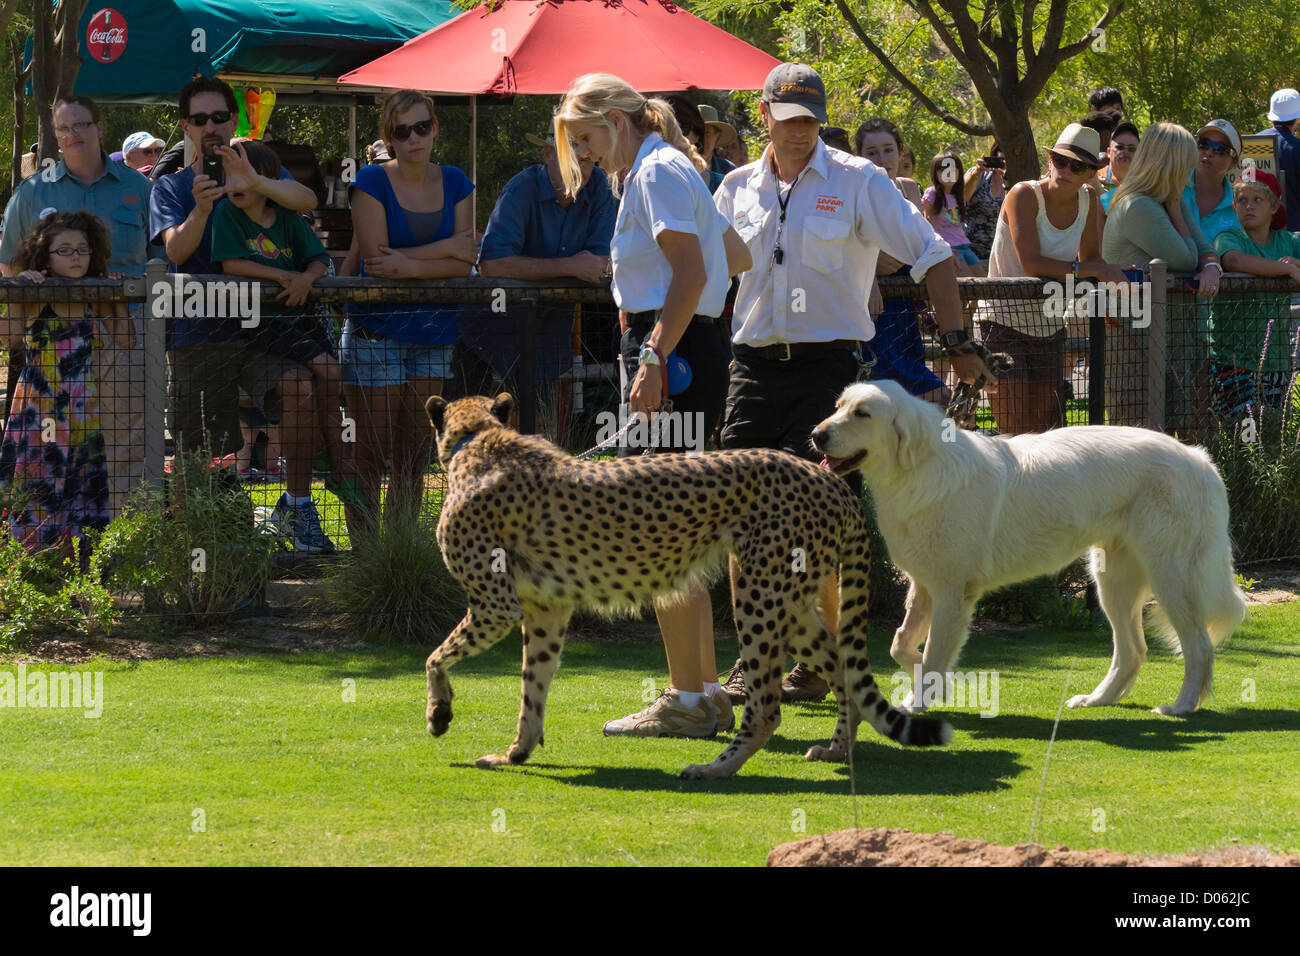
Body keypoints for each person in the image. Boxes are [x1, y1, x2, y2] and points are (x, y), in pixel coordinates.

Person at [715, 64, 994, 704]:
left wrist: (956, 343)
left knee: (814, 523)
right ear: (764, 116)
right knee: (740, 521)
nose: (798, 132)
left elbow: (933, 254)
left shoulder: (859, 180)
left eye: (809, 120)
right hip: (750, 368)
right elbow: (703, 271)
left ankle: (819, 658)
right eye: (786, 120)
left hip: (829, 370)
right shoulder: (733, 187)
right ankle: (752, 661)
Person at [554, 72, 752, 737]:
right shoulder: (671, 168)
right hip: (687, 347)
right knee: (682, 538)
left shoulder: (655, 171)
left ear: (615, 120)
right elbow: (736, 255)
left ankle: (689, 699)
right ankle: (701, 694)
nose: (585, 155)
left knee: (664, 537)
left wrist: (653, 355)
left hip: (671, 352)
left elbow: (696, 272)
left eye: (585, 140)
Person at [149, 76, 325, 541]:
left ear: (233, 120)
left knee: (300, 389)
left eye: (220, 117)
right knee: (202, 452)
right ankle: (195, 550)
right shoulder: (170, 187)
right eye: (200, 119)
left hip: (260, 330)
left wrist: (256, 180)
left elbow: (308, 201)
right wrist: (201, 210)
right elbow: (178, 253)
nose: (211, 127)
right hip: (198, 337)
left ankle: (298, 507)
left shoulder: (258, 169)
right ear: (185, 125)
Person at [0, 95, 152, 524]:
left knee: (125, 441)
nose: (73, 135)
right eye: (64, 128)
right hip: (54, 340)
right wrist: (26, 291)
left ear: (100, 127)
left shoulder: (138, 186)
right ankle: (47, 547)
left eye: (81, 124)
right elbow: (9, 260)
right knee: (51, 448)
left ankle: (122, 546)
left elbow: (162, 256)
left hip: (124, 323)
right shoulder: (32, 191)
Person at [209, 139, 358, 548]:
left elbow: (317, 260)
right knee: (327, 371)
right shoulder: (226, 213)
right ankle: (332, 456)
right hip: (253, 331)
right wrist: (281, 277)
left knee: (325, 376)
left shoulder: (290, 218)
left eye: (244, 175)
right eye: (228, 176)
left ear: (267, 182)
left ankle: (323, 462)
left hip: (297, 327)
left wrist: (307, 278)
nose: (233, 184)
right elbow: (231, 264)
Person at [344, 89, 476, 533]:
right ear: (390, 137)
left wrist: (410, 263)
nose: (414, 137)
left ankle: (399, 548)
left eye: (422, 127)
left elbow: (465, 265)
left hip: (435, 333)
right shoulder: (370, 181)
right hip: (376, 331)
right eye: (403, 131)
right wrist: (442, 254)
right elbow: (379, 264)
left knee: (415, 449)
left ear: (435, 128)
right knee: (371, 446)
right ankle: (364, 555)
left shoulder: (457, 181)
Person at [977, 123, 1125, 435]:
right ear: (1049, 161)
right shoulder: (1023, 195)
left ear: (1090, 174)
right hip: (1002, 322)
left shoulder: (1088, 201)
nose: (1066, 169)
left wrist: (1113, 279)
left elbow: (1093, 260)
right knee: (1014, 434)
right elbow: (1033, 264)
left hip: (1050, 325)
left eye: (1078, 165)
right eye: (1060, 160)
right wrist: (1098, 271)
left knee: (1046, 435)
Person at [0, 211, 133, 556]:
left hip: (81, 407)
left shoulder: (94, 292)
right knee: (37, 481)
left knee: (79, 482)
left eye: (82, 249)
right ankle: (32, 563)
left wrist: (114, 295)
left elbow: (126, 340)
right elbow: (8, 338)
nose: (76, 256)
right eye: (65, 250)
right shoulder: (33, 291)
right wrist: (18, 289)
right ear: (45, 255)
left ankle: (79, 569)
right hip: (37, 406)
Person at [471, 131, 617, 393]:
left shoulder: (600, 187)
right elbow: (491, 264)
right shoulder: (521, 188)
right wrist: (569, 266)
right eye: (568, 158)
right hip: (488, 340)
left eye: (585, 161)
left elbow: (600, 262)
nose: (577, 169)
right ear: (547, 155)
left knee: (541, 429)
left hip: (549, 341)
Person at [1102, 122, 1223, 436]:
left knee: (1172, 438)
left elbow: (1204, 249)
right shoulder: (1138, 205)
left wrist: (1211, 266)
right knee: (1135, 441)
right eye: (1186, 161)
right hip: (1134, 341)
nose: (1191, 169)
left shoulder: (1171, 201)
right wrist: (1179, 216)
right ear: (1170, 162)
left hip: (1168, 341)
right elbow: (1185, 258)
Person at [853, 117, 948, 404]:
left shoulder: (909, 189)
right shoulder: (856, 190)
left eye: (888, 149)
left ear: (900, 151)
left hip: (907, 311)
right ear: (859, 157)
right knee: (935, 395)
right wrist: (870, 279)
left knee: (905, 405)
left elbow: (921, 245)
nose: (882, 159)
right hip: (876, 314)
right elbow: (853, 248)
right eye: (871, 153)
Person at [1207, 171, 1300, 419]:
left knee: (1273, 430)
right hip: (1233, 358)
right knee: (1239, 433)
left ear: (1274, 206)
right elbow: (1234, 260)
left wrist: (1296, 261)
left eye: (1257, 199)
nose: (1248, 205)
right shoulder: (1228, 237)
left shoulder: (1289, 241)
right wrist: (1288, 269)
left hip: (1276, 360)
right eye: (1242, 200)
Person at [1183, 120, 1242, 244]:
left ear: (1234, 162)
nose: (1209, 152)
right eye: (1203, 144)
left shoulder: (1240, 209)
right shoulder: (1171, 187)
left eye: (1220, 149)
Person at [922, 151, 980, 268]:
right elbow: (927, 225)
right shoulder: (932, 193)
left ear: (959, 173)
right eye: (943, 170)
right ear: (935, 173)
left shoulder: (958, 196)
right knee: (968, 281)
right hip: (948, 248)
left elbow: (972, 183)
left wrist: (976, 174)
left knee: (983, 280)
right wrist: (942, 248)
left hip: (964, 245)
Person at [1256, 88, 1300, 230]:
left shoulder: (1253, 143)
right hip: (1292, 231)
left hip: (1256, 230)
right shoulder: (1296, 147)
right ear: (1297, 118)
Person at [963, 142, 1006, 261]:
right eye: (1002, 150)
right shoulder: (980, 174)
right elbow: (961, 198)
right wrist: (976, 174)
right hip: (973, 252)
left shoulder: (1020, 179)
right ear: (995, 153)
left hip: (1002, 256)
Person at [1098, 121, 1140, 218]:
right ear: (1108, 152)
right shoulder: (1096, 177)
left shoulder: (1145, 183)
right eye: (1120, 147)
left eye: (1132, 148)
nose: (1125, 151)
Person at [698, 104, 738, 185]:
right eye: (697, 132)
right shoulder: (681, 167)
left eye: (706, 133)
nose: (700, 139)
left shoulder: (728, 170)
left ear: (717, 137)